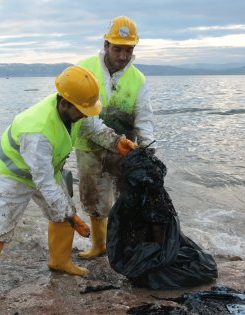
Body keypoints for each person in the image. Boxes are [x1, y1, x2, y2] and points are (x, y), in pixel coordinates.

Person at [0, 65, 136, 301]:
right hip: (14, 176)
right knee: (0, 225)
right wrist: (72, 216)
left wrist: (117, 141)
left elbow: (92, 125)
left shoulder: (74, 109)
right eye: (82, 110)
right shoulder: (37, 131)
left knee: (60, 212)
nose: (85, 114)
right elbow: (44, 183)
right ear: (64, 103)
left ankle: (59, 262)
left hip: (46, 171)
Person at [75, 16, 156, 259]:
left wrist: (149, 153)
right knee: (94, 199)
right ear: (106, 46)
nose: (122, 56)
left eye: (128, 50)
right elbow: (84, 118)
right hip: (89, 146)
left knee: (126, 200)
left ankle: (123, 246)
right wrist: (112, 140)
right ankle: (99, 246)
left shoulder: (138, 79)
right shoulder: (84, 69)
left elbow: (144, 119)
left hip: (126, 150)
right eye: (117, 48)